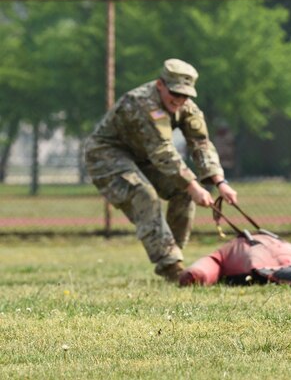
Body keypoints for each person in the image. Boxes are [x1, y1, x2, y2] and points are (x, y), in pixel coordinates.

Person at [84, 59, 238, 282]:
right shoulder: (142, 103)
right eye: (175, 93)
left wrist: (220, 182)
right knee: (144, 194)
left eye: (185, 95)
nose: (179, 100)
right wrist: (194, 185)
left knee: (183, 191)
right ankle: (171, 266)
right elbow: (162, 151)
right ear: (160, 85)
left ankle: (175, 259)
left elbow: (200, 144)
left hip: (144, 158)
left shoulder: (187, 107)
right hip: (107, 155)